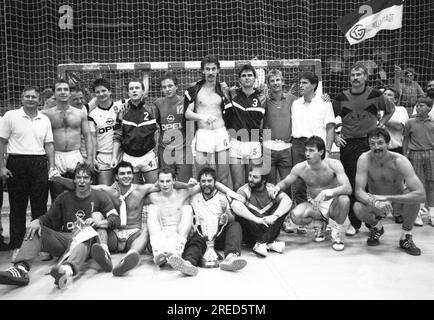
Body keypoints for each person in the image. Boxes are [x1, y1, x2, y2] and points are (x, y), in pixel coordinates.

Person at [0, 163, 121, 287]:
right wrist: (37, 221)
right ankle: (20, 269)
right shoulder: (64, 197)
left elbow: (116, 219)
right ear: (74, 180)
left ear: (91, 180)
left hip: (93, 241)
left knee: (86, 232)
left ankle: (67, 269)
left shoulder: (100, 196)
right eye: (78, 177)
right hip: (68, 239)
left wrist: (99, 222)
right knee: (35, 229)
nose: (82, 181)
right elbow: (47, 218)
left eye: (85, 178)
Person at [333, 62, 395, 236]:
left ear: (366, 77)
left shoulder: (376, 94)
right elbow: (330, 118)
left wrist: (381, 125)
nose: (355, 78)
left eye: (359, 74)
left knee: (371, 183)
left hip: (369, 144)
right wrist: (337, 135)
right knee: (353, 183)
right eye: (352, 75)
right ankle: (354, 223)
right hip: (349, 145)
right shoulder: (340, 97)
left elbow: (391, 109)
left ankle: (372, 220)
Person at [271, 136, 351, 251]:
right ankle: (320, 224)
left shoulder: (334, 164)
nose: (307, 154)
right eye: (306, 150)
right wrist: (277, 188)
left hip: (333, 204)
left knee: (345, 199)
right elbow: (285, 182)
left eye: (311, 150)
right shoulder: (301, 167)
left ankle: (336, 233)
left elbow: (348, 188)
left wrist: (325, 192)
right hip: (316, 206)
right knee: (296, 215)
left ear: (321, 152)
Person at [147, 167, 238, 268]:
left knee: (187, 208)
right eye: (162, 181)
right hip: (161, 236)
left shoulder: (184, 193)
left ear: (174, 181)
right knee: (152, 208)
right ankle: (169, 257)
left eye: (168, 181)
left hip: (180, 235)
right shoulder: (152, 196)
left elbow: (208, 184)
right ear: (157, 182)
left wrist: (231, 194)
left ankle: (178, 252)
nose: (165, 184)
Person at [353, 128, 425, 256]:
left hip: (397, 202)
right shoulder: (364, 159)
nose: (376, 147)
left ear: (387, 143)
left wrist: (386, 198)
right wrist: (374, 202)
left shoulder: (400, 161)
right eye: (372, 144)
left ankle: (405, 236)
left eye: (380, 143)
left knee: (412, 194)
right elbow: (358, 191)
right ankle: (377, 228)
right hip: (377, 203)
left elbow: (421, 195)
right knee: (357, 207)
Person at [0, 87, 55, 252]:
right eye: (27, 96)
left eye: (34, 97)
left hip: (39, 163)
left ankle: (39, 246)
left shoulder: (44, 119)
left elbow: (49, 144)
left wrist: (51, 166)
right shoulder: (11, 116)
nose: (31, 99)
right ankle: (17, 245)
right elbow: (1, 142)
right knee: (17, 207)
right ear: (22, 98)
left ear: (39, 100)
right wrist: (1, 166)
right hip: (16, 162)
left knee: (40, 207)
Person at [168, 167, 247, 276]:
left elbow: (231, 220)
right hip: (202, 234)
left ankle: (230, 257)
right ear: (199, 182)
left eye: (209, 181)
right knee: (196, 240)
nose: (206, 184)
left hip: (219, 233)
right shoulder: (194, 197)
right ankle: (188, 263)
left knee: (235, 225)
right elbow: (176, 188)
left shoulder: (222, 196)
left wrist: (225, 210)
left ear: (215, 182)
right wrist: (188, 186)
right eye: (203, 181)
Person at [42, 80, 94, 201]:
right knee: (57, 195)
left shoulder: (80, 114)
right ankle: (59, 219)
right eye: (59, 89)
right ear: (54, 94)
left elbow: (87, 136)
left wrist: (90, 157)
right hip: (56, 156)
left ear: (70, 93)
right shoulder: (46, 114)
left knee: (78, 192)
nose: (63, 92)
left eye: (66, 89)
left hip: (75, 155)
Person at [184, 54, 230, 185]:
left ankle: (223, 204)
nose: (210, 72)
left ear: (218, 70)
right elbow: (187, 114)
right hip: (203, 135)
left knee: (223, 178)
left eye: (213, 69)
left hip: (221, 133)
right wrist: (204, 117)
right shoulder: (195, 89)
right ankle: (202, 204)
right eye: (207, 69)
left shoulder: (223, 89)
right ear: (203, 71)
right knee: (202, 177)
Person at [229, 164, 292, 257]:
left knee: (282, 206)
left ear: (264, 180)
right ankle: (267, 243)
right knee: (239, 209)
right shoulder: (244, 190)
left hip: (268, 227)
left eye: (255, 177)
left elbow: (288, 201)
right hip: (251, 231)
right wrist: (257, 219)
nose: (250, 179)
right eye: (249, 176)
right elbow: (235, 205)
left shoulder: (271, 188)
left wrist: (275, 216)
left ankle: (262, 243)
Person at [224, 64, 266, 191]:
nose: (247, 78)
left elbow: (263, 123)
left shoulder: (262, 97)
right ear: (239, 80)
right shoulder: (232, 94)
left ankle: (252, 210)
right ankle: (238, 210)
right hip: (236, 142)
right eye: (244, 76)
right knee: (238, 185)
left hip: (253, 143)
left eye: (249, 75)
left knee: (253, 183)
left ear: (254, 79)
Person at [111, 80, 159, 184]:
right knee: (133, 192)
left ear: (143, 91)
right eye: (131, 89)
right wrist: (114, 157)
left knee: (154, 190)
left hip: (148, 155)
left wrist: (157, 152)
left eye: (137, 88)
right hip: (129, 157)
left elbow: (159, 131)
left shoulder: (152, 109)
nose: (134, 91)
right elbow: (117, 135)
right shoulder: (122, 111)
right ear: (128, 93)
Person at [154, 71, 192, 183]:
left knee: (184, 185)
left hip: (183, 150)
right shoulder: (158, 104)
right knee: (166, 185)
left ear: (176, 87)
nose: (167, 89)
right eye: (164, 87)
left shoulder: (185, 102)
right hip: (165, 151)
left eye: (170, 86)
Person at [403, 97, 434, 227]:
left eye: (421, 105)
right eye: (417, 105)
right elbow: (405, 140)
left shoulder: (432, 123)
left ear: (429, 108)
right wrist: (404, 156)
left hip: (431, 153)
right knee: (417, 185)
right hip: (414, 153)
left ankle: (432, 213)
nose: (418, 107)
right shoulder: (410, 122)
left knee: (431, 183)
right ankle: (418, 213)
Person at [262, 69, 296, 186]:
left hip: (286, 147)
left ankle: (288, 204)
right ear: (268, 84)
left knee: (287, 183)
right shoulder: (264, 101)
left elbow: (308, 102)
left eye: (278, 80)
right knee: (270, 184)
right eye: (272, 81)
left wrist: (323, 98)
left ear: (282, 82)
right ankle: (273, 205)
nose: (275, 83)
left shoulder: (292, 99)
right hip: (268, 147)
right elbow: (259, 121)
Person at [88, 78, 124, 185]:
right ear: (94, 95)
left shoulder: (121, 105)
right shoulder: (92, 115)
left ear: (110, 91)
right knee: (105, 191)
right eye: (97, 92)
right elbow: (93, 138)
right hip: (103, 156)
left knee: (125, 189)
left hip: (122, 153)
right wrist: (94, 158)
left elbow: (142, 95)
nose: (101, 94)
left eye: (104, 90)